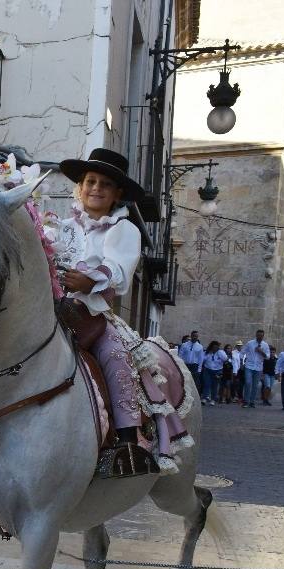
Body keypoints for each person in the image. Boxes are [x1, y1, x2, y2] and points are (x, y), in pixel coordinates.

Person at [52, 147, 190, 476]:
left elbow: (119, 269)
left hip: (92, 315)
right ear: (80, 187)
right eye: (90, 181)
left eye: (105, 184)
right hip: (52, 308)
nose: (96, 188)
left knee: (116, 355)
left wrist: (91, 281)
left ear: (117, 194)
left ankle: (128, 441)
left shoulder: (124, 230)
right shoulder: (60, 226)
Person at [240, 330, 270, 408]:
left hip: (258, 367)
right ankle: (246, 401)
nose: (259, 337)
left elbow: (267, 357)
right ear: (256, 335)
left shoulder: (265, 345)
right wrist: (241, 363)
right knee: (248, 382)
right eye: (258, 335)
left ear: (263, 336)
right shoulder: (250, 343)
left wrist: (261, 352)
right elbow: (242, 352)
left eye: (261, 335)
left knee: (255, 385)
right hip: (249, 366)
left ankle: (252, 401)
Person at [202, 340, 225, 405]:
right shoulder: (207, 352)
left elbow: (225, 359)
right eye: (214, 347)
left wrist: (219, 353)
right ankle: (204, 398)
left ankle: (213, 399)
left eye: (216, 347)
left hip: (217, 370)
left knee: (215, 385)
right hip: (208, 370)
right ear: (211, 347)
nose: (215, 348)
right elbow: (203, 359)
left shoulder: (221, 352)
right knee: (207, 384)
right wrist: (208, 354)